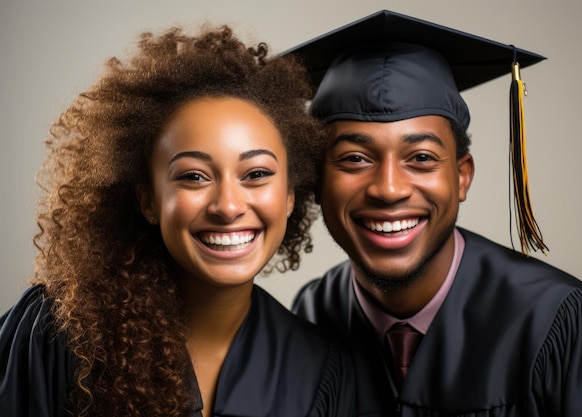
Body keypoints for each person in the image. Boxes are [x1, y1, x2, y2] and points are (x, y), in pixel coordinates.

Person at [0, 24, 355, 417]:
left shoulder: (322, 371)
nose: (228, 206)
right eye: (193, 177)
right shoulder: (61, 332)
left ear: (290, 195)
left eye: (256, 174)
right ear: (149, 200)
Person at [286, 9, 582, 417]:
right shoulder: (313, 312)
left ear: (462, 177)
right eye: (355, 159)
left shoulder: (565, 326)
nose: (389, 189)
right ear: (315, 181)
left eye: (422, 157)